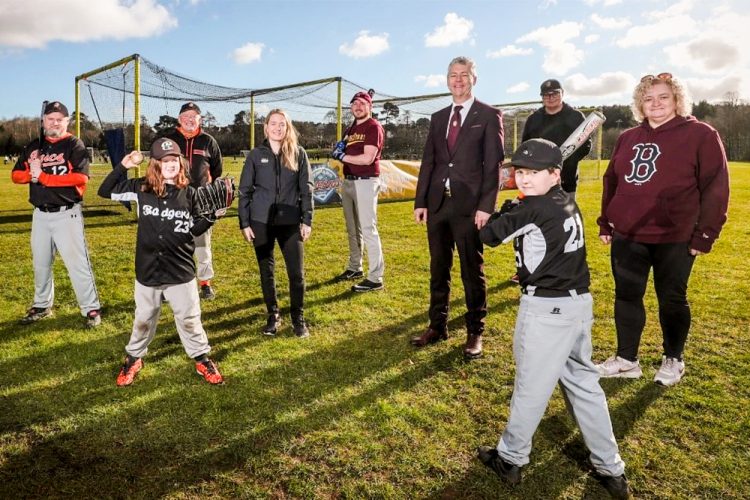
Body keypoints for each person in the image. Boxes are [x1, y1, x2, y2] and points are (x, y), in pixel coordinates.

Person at [476, 139, 630, 499]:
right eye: (521, 172)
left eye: (534, 172)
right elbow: (531, 212)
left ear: (555, 173)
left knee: (531, 387)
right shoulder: (565, 199)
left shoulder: (532, 210)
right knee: (584, 384)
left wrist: (503, 210)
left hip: (547, 309)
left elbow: (488, 235)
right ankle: (611, 467)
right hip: (578, 306)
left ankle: (511, 458)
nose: (525, 179)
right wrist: (519, 204)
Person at [595, 73, 730, 386]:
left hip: (676, 235)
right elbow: (611, 181)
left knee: (671, 298)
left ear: (677, 100)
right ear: (640, 104)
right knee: (626, 295)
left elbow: (715, 186)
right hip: (629, 235)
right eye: (648, 98)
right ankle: (627, 359)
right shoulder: (627, 137)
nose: (655, 104)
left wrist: (705, 233)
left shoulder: (700, 134)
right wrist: (606, 221)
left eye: (663, 97)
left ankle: (673, 358)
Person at [98, 138, 224, 386]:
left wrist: (212, 218)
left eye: (174, 160)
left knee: (189, 318)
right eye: (164, 160)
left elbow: (194, 230)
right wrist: (123, 165)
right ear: (155, 164)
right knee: (144, 318)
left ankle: (201, 358)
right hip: (148, 269)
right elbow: (105, 190)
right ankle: (134, 357)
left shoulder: (190, 194)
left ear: (181, 162)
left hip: (180, 270)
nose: (170, 164)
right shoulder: (140, 188)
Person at [411, 56, 504, 359]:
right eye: (453, 75)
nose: (458, 80)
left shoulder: (488, 115)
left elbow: (493, 166)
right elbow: (430, 162)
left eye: (464, 75)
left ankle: (475, 331)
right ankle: (437, 325)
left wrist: (486, 206)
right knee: (439, 269)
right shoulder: (438, 118)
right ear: (447, 80)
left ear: (473, 79)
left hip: (470, 208)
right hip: (438, 205)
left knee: (470, 271)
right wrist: (421, 201)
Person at [11, 101, 102, 328]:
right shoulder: (34, 146)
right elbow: (16, 175)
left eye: (59, 119)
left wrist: (44, 177)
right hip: (40, 215)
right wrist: (32, 174)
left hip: (66, 214)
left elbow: (81, 179)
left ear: (66, 122)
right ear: (43, 121)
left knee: (78, 264)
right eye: (50, 119)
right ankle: (42, 305)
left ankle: (91, 309)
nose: (55, 123)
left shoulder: (74, 144)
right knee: (41, 263)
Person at [238, 109, 314, 337]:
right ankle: (273, 315)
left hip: (290, 221)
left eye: (282, 124)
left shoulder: (298, 153)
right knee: (266, 270)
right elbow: (244, 191)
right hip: (260, 221)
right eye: (273, 123)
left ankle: (297, 318)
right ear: (266, 127)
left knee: (296, 273)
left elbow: (306, 189)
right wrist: (244, 223)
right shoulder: (255, 155)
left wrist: (307, 219)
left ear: (287, 127)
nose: (278, 127)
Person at [166, 102, 223, 300]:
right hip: (173, 199)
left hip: (201, 202)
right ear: (179, 119)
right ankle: (169, 282)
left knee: (202, 246)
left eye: (194, 116)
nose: (190, 120)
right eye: (186, 116)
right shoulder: (169, 140)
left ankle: (205, 283)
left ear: (200, 119)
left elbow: (216, 170)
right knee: (171, 243)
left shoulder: (208, 141)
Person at [331, 90, 386, 292]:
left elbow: (367, 158)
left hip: (366, 181)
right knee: (353, 228)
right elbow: (344, 148)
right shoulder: (351, 129)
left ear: (370, 107)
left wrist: (341, 156)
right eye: (354, 104)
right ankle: (355, 267)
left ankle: (376, 277)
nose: (358, 107)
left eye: (363, 103)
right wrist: (340, 148)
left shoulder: (373, 127)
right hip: (349, 181)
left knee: (369, 229)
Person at [522, 79, 591, 196]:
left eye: (555, 93)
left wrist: (567, 163)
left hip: (566, 180)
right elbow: (525, 147)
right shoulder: (533, 119)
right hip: (538, 181)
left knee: (564, 213)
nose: (550, 97)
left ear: (562, 93)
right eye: (546, 95)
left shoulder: (575, 116)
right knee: (538, 213)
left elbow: (585, 146)